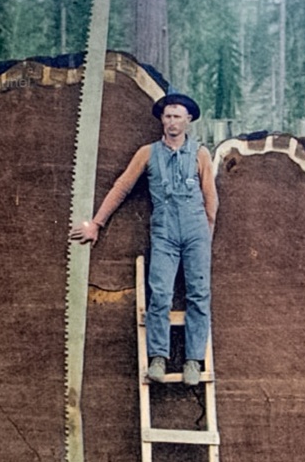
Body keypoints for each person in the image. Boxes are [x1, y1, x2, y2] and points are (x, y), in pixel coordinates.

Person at [70, 92, 218, 386]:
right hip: (164, 233)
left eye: (177, 116)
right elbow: (122, 187)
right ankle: (159, 358)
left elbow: (211, 201)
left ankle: (192, 361)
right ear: (162, 120)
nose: (172, 121)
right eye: (167, 116)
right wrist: (96, 223)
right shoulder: (148, 153)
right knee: (160, 294)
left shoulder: (200, 154)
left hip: (196, 231)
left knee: (199, 295)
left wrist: (205, 240)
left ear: (188, 120)